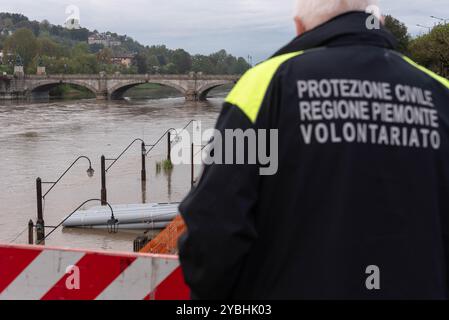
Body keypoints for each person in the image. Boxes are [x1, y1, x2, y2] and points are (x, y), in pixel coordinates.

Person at [178, 0, 449, 299]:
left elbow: (213, 229)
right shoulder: (440, 93)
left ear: (299, 27)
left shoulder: (263, 85)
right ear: (379, 22)